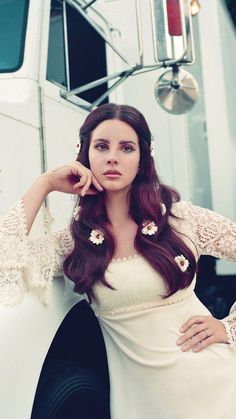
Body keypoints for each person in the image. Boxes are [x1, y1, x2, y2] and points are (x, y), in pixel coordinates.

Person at [1, 103, 236, 419]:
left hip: (217, 389)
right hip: (141, 405)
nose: (113, 157)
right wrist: (44, 185)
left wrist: (229, 328)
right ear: (85, 155)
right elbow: (5, 254)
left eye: (126, 147)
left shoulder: (180, 219)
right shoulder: (75, 241)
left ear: (142, 160)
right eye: (101, 146)